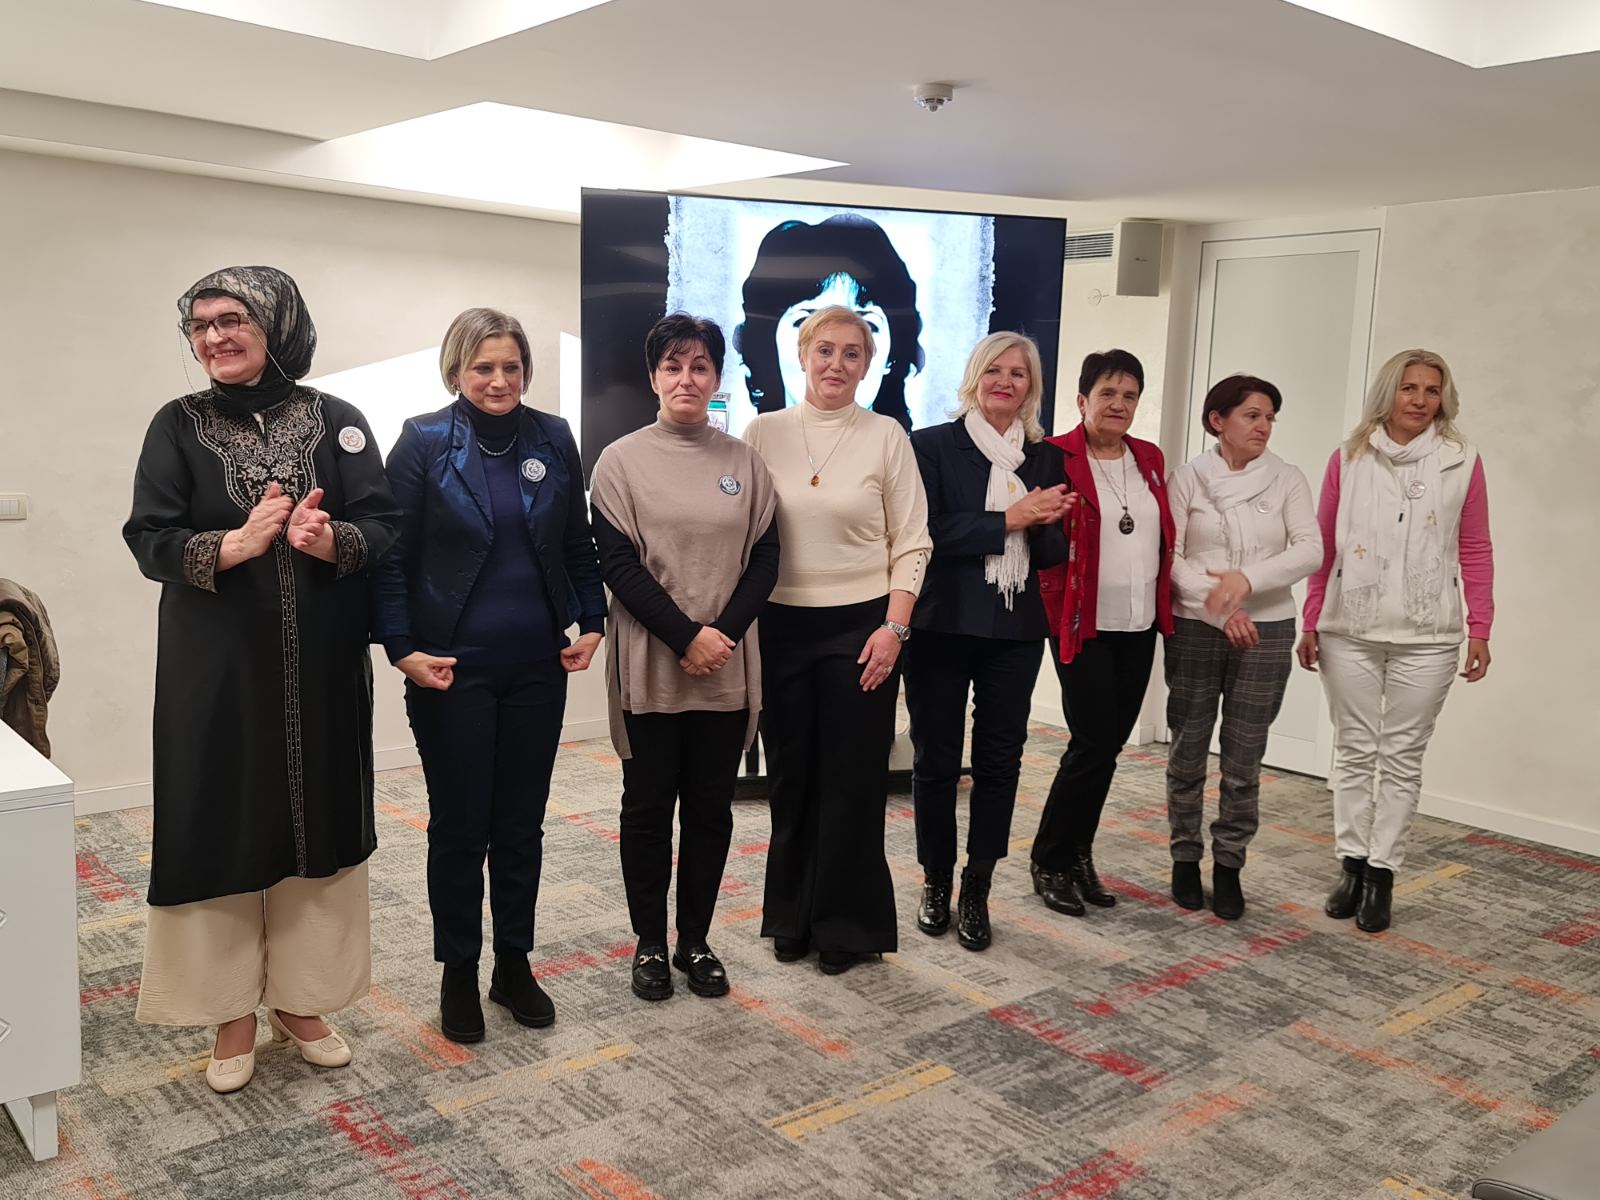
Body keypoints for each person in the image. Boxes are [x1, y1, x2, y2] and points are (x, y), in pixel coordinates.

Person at [124, 265, 400, 1093]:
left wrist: (332, 541)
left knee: (318, 820)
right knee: (220, 820)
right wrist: (234, 545)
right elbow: (148, 535)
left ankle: (301, 1000)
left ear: (276, 325)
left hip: (321, 667)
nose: (214, 338)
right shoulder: (176, 426)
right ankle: (229, 1011)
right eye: (200, 325)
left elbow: (386, 523)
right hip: (215, 672)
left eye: (232, 319)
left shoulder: (338, 421)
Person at [372, 308, 606, 1043]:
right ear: (456, 371)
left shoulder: (553, 437)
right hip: (452, 672)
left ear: (526, 371)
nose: (499, 380)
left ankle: (513, 964)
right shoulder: (423, 440)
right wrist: (400, 647)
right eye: (483, 367)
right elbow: (390, 557)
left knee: (520, 824)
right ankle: (457, 971)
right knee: (460, 826)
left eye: (511, 367)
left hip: (538, 666)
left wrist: (592, 619)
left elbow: (577, 540)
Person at [589, 313, 780, 1001]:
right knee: (646, 810)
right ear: (653, 377)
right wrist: (685, 637)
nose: (686, 379)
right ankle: (648, 943)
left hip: (725, 668)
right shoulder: (619, 462)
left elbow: (766, 559)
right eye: (673, 366)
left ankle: (695, 940)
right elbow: (618, 565)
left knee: (709, 811)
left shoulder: (745, 463)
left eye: (700, 366)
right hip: (651, 667)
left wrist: (719, 635)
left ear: (717, 376)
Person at [745, 304, 932, 974]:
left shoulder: (886, 436)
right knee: (791, 776)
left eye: (853, 353)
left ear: (868, 364)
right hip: (781, 626)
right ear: (802, 355)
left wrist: (894, 628)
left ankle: (847, 926)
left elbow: (913, 542)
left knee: (851, 782)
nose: (837, 364)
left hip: (863, 628)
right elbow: (742, 533)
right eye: (825, 350)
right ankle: (792, 916)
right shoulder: (762, 432)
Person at [1297, 348, 1493, 933]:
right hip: (1348, 630)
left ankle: (1382, 873)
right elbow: (1324, 545)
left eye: (1432, 390)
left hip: (1429, 634)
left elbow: (1476, 546)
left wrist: (1480, 626)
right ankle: (1352, 864)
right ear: (1388, 393)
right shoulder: (1348, 458)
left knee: (1403, 757)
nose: (1420, 400)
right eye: (1409, 388)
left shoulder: (1462, 460)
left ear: (1443, 399)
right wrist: (1311, 619)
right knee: (1356, 750)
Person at [905, 333, 1070, 950]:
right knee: (936, 761)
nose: (1005, 381)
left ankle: (977, 887)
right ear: (974, 377)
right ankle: (935, 880)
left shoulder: (1045, 457)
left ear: (1031, 388)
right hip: (941, 624)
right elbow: (926, 532)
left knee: (1000, 763)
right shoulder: (931, 445)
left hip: (1015, 630)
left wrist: (1050, 524)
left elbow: (1048, 555)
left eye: (1018, 374)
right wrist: (1011, 519)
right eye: (994, 370)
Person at [1164, 375, 1322, 919]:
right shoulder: (1188, 478)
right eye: (1252, 415)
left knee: (1243, 757)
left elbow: (1311, 550)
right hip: (1197, 624)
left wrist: (1246, 583)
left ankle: (1229, 864)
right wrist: (1221, 605)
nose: (1264, 426)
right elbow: (1171, 556)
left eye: (1270, 417)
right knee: (1187, 749)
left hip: (1268, 628)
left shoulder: (1288, 478)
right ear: (1218, 421)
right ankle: (1185, 858)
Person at [1032, 349, 1174, 917]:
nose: (1119, 404)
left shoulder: (1149, 458)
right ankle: (1049, 859)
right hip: (1081, 623)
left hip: (1139, 624)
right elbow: (1041, 536)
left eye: (1129, 395)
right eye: (1108, 393)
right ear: (1082, 400)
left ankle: (1077, 854)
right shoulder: (1055, 456)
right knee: (1090, 742)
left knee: (1108, 746)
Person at [734, 214, 925, 429]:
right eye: (806, 321)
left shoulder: (892, 440)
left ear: (892, 358)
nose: (836, 359)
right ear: (768, 343)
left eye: (868, 325)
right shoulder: (758, 435)